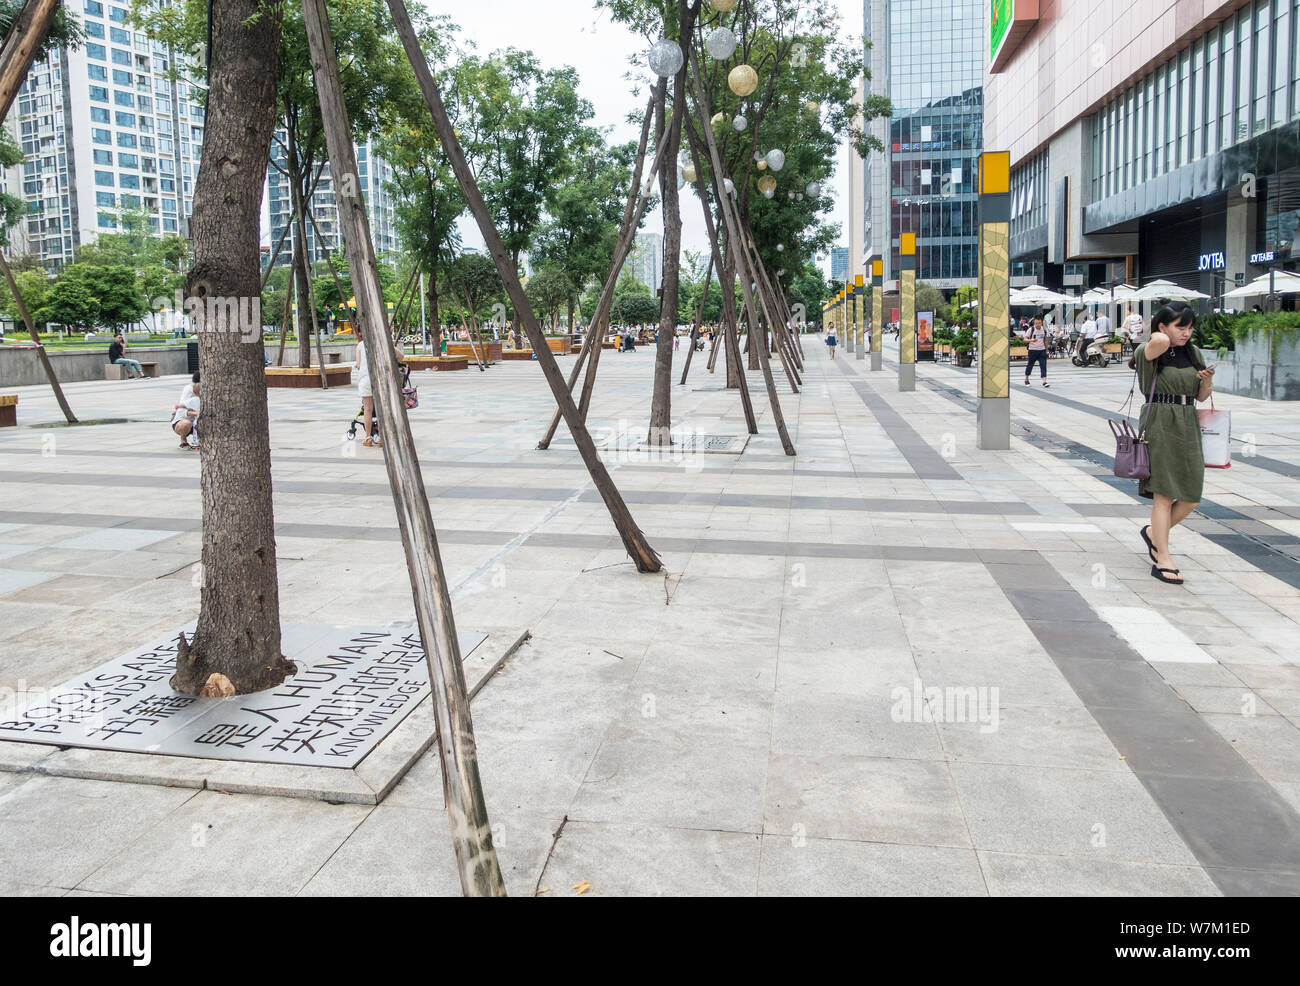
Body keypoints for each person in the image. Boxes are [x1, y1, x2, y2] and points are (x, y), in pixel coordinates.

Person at [1133, 302, 1214, 585]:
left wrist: (1207, 382)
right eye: (1181, 326)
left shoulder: (1194, 353)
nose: (1187, 333)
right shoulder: (1149, 351)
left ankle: (1154, 534)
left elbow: (1202, 397)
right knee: (1164, 494)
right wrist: (1162, 333)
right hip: (1160, 421)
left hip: (1188, 420)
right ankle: (1163, 557)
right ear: (1163, 327)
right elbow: (1157, 343)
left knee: (1191, 496)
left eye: (1190, 327)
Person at [354, 329, 406, 448]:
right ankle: (381, 438)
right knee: (382, 408)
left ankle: (368, 438)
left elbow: (358, 364)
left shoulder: (360, 345)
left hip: (365, 379)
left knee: (367, 409)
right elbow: (401, 356)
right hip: (381, 379)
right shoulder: (383, 342)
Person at [1022, 312, 1049, 387]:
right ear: (1034, 322)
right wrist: (1031, 340)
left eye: (1039, 323)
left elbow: (1045, 340)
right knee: (1030, 365)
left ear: (1042, 322)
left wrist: (1047, 350)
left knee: (1043, 366)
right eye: (1036, 323)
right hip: (1032, 350)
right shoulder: (1031, 329)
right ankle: (1026, 379)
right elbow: (1025, 339)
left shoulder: (1044, 329)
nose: (1038, 325)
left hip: (1042, 350)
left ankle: (1044, 381)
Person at [171, 382, 200, 449]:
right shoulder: (190, 394)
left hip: (197, 422)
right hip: (184, 421)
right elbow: (180, 408)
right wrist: (196, 413)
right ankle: (184, 440)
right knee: (186, 423)